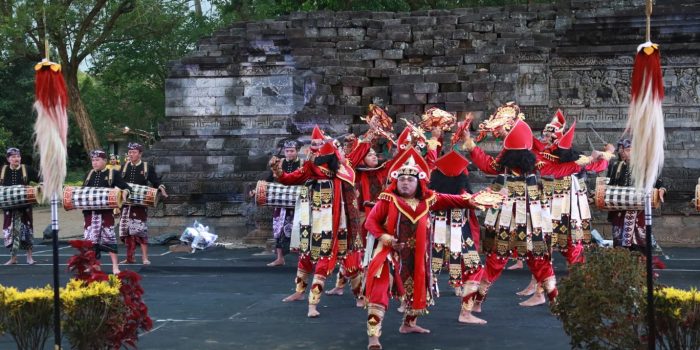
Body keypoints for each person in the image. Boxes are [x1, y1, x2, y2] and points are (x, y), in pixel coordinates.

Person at [364, 147, 491, 349]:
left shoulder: (428, 200)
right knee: (380, 293)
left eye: (410, 179)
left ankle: (408, 324)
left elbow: (455, 199)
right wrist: (388, 239)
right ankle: (373, 337)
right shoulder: (387, 200)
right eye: (402, 179)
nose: (405, 182)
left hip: (418, 255)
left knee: (417, 290)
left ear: (419, 182)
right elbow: (370, 223)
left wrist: (479, 199)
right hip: (389, 255)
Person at [462, 109, 559, 316]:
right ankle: (555, 301)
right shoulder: (535, 161)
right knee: (537, 259)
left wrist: (471, 145)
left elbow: (489, 165)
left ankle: (476, 304)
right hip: (523, 219)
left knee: (499, 260)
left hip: (515, 219)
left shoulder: (512, 163)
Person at [273, 125, 371, 317]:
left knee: (348, 261)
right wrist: (277, 170)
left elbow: (359, 152)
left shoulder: (342, 169)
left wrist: (369, 134)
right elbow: (289, 178)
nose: (314, 149)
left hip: (339, 223)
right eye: (313, 145)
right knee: (306, 256)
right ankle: (300, 292)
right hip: (313, 221)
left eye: (319, 145)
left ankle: (353, 297)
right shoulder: (310, 169)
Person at [427, 150, 486, 324]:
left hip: (442, 230)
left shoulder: (430, 194)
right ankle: (466, 311)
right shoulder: (462, 194)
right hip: (457, 231)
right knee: (473, 267)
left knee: (425, 263)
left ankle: (410, 307)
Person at [606, 139, 666, 254]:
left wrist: (661, 190)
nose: (624, 152)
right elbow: (611, 185)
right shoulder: (616, 166)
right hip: (620, 208)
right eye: (622, 150)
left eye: (628, 150)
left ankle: (642, 266)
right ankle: (623, 266)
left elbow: (659, 183)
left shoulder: (646, 166)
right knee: (619, 241)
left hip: (638, 207)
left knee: (639, 240)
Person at [118, 142, 167, 265]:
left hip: (140, 204)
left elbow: (155, 181)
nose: (131, 154)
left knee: (141, 231)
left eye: (134, 152)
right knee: (127, 232)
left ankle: (145, 258)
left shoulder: (146, 167)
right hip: (126, 204)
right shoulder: (124, 167)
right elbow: (118, 183)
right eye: (129, 152)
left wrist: (161, 188)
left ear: (140, 154)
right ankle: (130, 257)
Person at [83, 150, 132, 274]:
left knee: (109, 238)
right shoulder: (88, 174)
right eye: (93, 160)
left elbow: (126, 187)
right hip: (90, 213)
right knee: (89, 240)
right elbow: (83, 192)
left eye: (97, 160)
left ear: (105, 161)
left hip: (106, 212)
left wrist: (125, 191)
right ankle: (92, 265)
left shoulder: (113, 173)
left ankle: (115, 266)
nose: (94, 163)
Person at [265, 139, 302, 266]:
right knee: (278, 229)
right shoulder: (278, 163)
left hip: (298, 203)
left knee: (300, 229)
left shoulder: (303, 164)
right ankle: (280, 258)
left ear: (297, 151)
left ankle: (303, 260)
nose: (289, 153)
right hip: (281, 202)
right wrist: (256, 190)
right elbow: (269, 179)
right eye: (287, 151)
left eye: (292, 151)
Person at [2, 148, 39, 265]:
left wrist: (38, 190)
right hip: (9, 208)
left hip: (25, 207)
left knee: (27, 230)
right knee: (10, 232)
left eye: (17, 156)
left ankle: (29, 257)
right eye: (13, 157)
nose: (16, 159)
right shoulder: (2, 170)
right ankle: (13, 258)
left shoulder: (26, 169)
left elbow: (40, 180)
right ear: (8, 159)